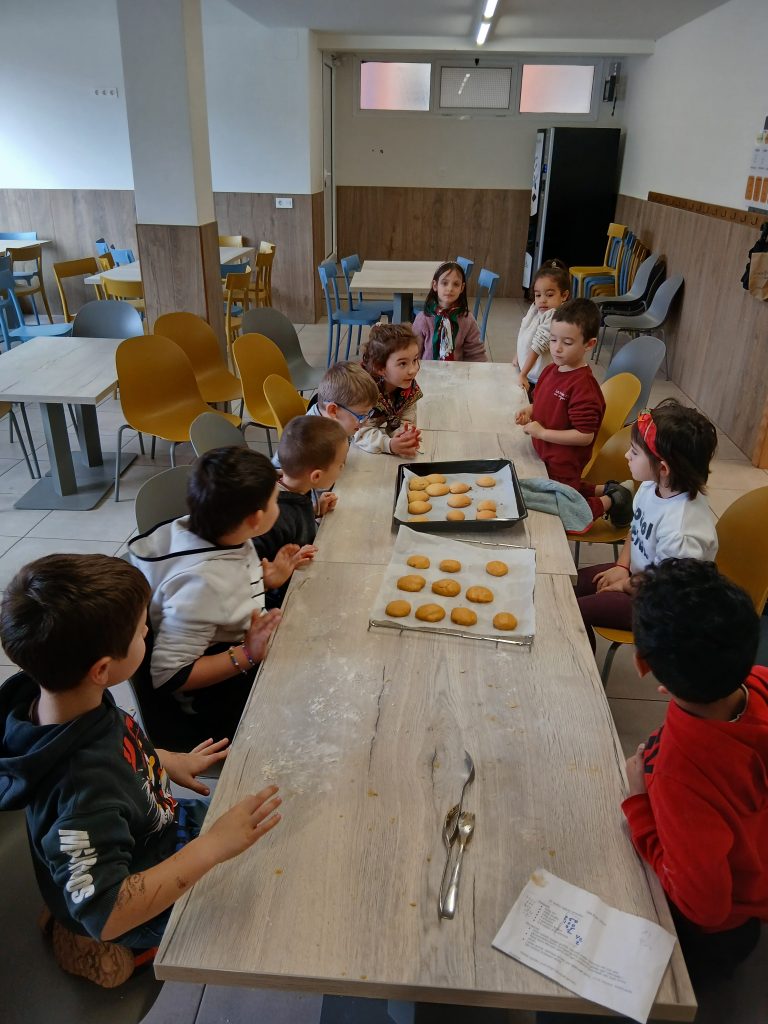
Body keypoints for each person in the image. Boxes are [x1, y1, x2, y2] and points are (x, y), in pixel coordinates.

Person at [0, 553, 281, 987]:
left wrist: (164, 759)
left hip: (152, 834)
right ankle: (92, 943)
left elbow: (113, 740)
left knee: (264, 843)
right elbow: (107, 913)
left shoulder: (65, 702)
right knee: (255, 914)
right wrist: (213, 847)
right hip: (127, 893)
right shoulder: (80, 792)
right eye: (139, 630)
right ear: (102, 669)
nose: (147, 631)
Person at [624, 558, 768, 982]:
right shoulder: (760, 680)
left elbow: (705, 908)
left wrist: (639, 805)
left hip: (717, 936)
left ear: (642, 664)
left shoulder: (681, 776)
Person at [128, 446, 299, 747]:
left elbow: (220, 597)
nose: (280, 504)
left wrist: (264, 581)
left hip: (230, 647)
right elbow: (170, 675)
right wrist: (248, 655)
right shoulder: (202, 585)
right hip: (210, 704)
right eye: (276, 499)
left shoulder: (211, 529)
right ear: (256, 519)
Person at [575, 399, 718, 651]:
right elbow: (636, 530)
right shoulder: (651, 487)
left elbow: (666, 587)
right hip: (641, 579)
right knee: (567, 587)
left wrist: (624, 585)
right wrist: (622, 566)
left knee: (572, 611)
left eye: (634, 452)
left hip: (666, 607)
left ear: (663, 468)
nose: (626, 455)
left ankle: (577, 668)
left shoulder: (681, 530)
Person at [515, 298, 632, 526]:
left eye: (567, 342)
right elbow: (543, 403)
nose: (557, 348)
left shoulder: (584, 388)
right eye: (553, 339)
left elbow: (584, 435)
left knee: (563, 509)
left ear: (589, 344)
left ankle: (612, 500)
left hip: (563, 463)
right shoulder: (551, 370)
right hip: (544, 456)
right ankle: (608, 489)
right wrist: (529, 410)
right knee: (561, 490)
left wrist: (543, 433)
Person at [256, 415, 348, 607]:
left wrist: (315, 512)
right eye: (341, 464)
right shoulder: (273, 517)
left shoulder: (294, 488)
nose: (343, 467)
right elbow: (252, 570)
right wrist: (279, 572)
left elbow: (296, 522)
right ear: (316, 476)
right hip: (283, 601)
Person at [272, 361, 380, 470]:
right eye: (361, 415)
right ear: (333, 410)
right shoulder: (310, 445)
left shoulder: (335, 420)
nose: (364, 421)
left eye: (368, 414)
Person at [358, 322, 423, 457]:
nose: (413, 370)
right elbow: (360, 433)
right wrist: (389, 445)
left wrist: (404, 435)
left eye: (415, 360)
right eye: (403, 363)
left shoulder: (407, 387)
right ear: (380, 368)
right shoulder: (363, 393)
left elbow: (405, 420)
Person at [514, 258, 570, 397]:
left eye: (549, 295)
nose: (542, 300)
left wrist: (523, 374)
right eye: (538, 295)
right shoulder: (536, 308)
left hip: (540, 380)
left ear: (564, 295)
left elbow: (538, 346)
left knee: (535, 406)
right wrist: (518, 356)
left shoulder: (555, 316)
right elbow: (524, 332)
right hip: (528, 372)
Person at [411, 260, 487, 363]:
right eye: (444, 283)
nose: (450, 288)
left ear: (462, 288)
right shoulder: (423, 318)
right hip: (427, 371)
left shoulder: (467, 319)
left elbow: (476, 354)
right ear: (435, 285)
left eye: (456, 284)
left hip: (456, 371)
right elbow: (413, 353)